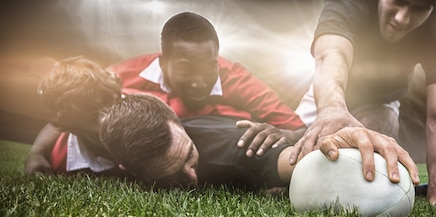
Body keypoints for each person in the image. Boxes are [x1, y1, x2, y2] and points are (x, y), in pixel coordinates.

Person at [24, 11, 305, 175]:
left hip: (217, 138)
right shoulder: (122, 76)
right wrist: (36, 153)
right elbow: (69, 107)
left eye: (208, 68)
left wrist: (286, 134)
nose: (198, 82)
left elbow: (296, 128)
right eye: (185, 69)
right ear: (163, 61)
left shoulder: (237, 80)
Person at [289, 0, 436, 208]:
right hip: (328, 94)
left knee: (364, 167)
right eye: (398, 2)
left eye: (419, 8)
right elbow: (331, 54)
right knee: (285, 167)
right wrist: (331, 109)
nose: (401, 18)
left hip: (382, 102)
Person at [98, 93, 420, 190]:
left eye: (188, 158)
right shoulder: (110, 159)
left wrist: (340, 140)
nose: (192, 178)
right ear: (131, 169)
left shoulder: (236, 145)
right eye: (172, 177)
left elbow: (291, 161)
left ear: (176, 119)